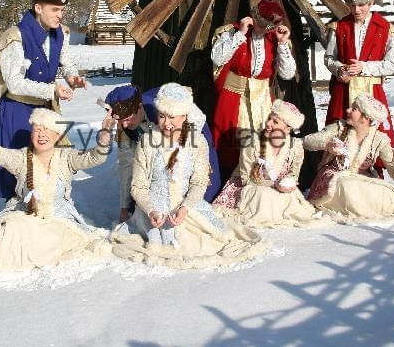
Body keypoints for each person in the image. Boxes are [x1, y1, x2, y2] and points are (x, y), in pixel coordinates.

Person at [0, 104, 114, 272]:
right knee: (12, 228)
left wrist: (104, 135)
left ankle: (39, 250)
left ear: (58, 136)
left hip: (58, 218)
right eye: (37, 130)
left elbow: (95, 158)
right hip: (29, 215)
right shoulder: (21, 158)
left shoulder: (67, 158)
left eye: (46, 130)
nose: (41, 134)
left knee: (53, 238)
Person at [111, 83, 264, 269]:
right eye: (162, 116)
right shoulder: (141, 138)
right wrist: (129, 206)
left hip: (190, 141)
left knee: (206, 191)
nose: (166, 122)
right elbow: (132, 174)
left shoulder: (189, 129)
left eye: (172, 117)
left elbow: (197, 178)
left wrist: (185, 204)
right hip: (157, 199)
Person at [0, 0, 86, 200]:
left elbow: (66, 60)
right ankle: (16, 219)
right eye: (55, 9)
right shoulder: (15, 37)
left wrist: (73, 77)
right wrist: (51, 89)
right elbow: (14, 83)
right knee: (20, 168)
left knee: (53, 164)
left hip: (46, 111)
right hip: (18, 112)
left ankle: (51, 212)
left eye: (62, 10)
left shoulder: (60, 34)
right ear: (38, 8)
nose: (60, 15)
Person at [303, 93, 394, 222]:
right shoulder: (338, 128)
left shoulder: (379, 139)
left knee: (389, 193)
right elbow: (308, 141)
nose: (347, 110)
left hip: (362, 180)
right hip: (335, 179)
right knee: (346, 185)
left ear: (366, 117)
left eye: (354, 109)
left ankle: (366, 206)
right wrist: (327, 144)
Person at [104, 83, 221, 222]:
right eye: (121, 121)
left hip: (192, 139)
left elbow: (195, 140)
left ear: (140, 107)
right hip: (155, 151)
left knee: (207, 195)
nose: (124, 125)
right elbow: (126, 165)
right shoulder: (124, 125)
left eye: (128, 119)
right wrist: (125, 207)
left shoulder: (163, 108)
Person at [211, 0, 296, 181]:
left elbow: (288, 74)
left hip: (262, 99)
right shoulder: (232, 31)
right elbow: (217, 58)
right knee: (229, 144)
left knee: (261, 142)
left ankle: (259, 180)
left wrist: (282, 44)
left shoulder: (275, 39)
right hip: (233, 96)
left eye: (268, 28)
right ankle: (229, 184)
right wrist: (240, 34)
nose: (264, 31)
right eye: (261, 25)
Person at [214, 99, 317, 227]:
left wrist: (287, 183)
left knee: (291, 202)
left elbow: (293, 174)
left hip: (279, 189)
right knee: (264, 196)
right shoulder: (252, 141)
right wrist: (274, 185)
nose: (268, 124)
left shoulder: (295, 146)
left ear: (288, 128)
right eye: (269, 118)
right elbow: (245, 178)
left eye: (275, 122)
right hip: (252, 186)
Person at [324, 0, 394, 148]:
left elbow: (391, 64)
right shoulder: (338, 27)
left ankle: (372, 170)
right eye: (352, 5)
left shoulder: (386, 29)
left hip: (372, 91)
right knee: (339, 137)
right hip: (343, 90)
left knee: (375, 138)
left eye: (361, 5)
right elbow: (329, 58)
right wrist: (340, 69)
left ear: (370, 3)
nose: (356, 10)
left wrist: (364, 67)